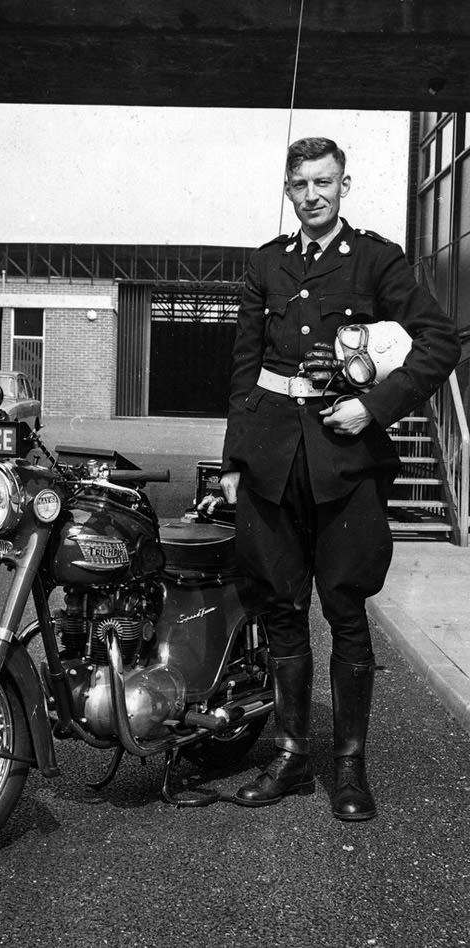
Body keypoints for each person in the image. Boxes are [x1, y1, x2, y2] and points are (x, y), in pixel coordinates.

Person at [207, 136, 460, 820]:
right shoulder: (266, 264)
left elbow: (438, 341)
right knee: (282, 610)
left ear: (344, 186)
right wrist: (234, 462)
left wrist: (374, 404)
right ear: (288, 191)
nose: (312, 195)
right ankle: (290, 755)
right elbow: (244, 366)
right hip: (271, 460)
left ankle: (349, 767)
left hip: (346, 466)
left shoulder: (377, 260)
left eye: (324, 182)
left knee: (345, 610)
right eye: (300, 185)